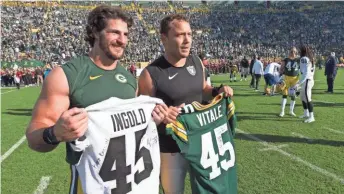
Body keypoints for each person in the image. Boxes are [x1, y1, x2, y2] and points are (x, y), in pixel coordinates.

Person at [25, 5, 167, 194]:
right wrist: (55, 133)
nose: (122, 40)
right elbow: (34, 138)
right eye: (114, 33)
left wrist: (152, 120)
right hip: (91, 185)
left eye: (125, 34)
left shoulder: (128, 79)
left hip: (131, 185)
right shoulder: (67, 75)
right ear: (94, 31)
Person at [138, 14, 234, 194]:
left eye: (189, 34)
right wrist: (162, 115)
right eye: (180, 35)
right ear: (164, 38)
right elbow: (144, 115)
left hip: (201, 142)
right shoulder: (150, 74)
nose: (187, 40)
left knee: (209, 188)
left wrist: (217, 91)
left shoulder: (196, 61)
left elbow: (203, 87)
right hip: (171, 148)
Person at [295, 45, 315, 123]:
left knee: (307, 98)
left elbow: (305, 72)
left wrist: (299, 83)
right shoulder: (311, 58)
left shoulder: (304, 59)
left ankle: (311, 116)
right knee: (303, 97)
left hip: (307, 80)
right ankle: (306, 113)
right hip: (309, 79)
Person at [279, 47, 300, 117]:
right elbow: (281, 68)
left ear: (296, 52)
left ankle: (291, 111)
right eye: (291, 51)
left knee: (293, 95)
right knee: (284, 94)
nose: (293, 53)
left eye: (294, 52)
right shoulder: (286, 59)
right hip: (286, 78)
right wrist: (280, 77)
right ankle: (282, 111)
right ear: (289, 52)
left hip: (295, 79)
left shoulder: (299, 59)